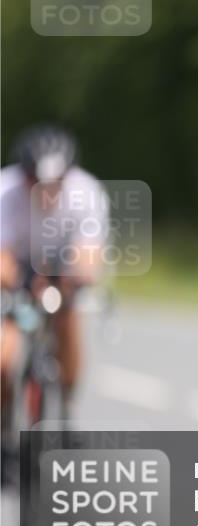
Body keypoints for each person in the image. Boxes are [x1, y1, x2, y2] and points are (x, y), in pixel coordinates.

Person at [0, 125, 108, 430]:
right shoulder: (5, 192)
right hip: (17, 267)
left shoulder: (86, 192)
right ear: (23, 177)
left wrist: (70, 282)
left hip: (61, 266)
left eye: (55, 183)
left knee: (68, 318)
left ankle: (67, 399)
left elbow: (88, 255)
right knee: (4, 357)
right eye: (36, 182)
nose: (46, 192)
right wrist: (19, 284)